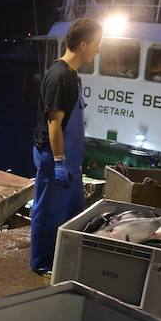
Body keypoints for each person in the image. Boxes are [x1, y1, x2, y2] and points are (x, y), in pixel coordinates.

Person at [29, 18, 102, 276]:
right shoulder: (59, 76)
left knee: (70, 213)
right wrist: (59, 162)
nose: (98, 49)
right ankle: (42, 262)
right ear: (83, 44)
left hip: (71, 162)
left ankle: (61, 256)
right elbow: (54, 124)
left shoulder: (72, 75)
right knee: (48, 212)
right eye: (96, 44)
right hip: (55, 160)